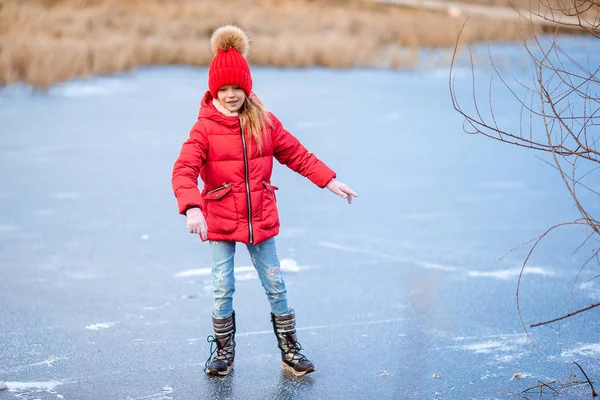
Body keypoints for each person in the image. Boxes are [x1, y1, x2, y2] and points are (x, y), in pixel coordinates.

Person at [171, 25, 358, 377]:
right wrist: (193, 206)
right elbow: (183, 169)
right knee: (223, 286)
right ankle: (224, 353)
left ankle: (290, 351)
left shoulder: (264, 122)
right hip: (220, 219)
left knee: (275, 283)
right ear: (214, 90)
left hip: (260, 216)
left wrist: (329, 180)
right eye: (223, 89)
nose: (230, 95)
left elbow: (298, 155)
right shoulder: (204, 129)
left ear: (246, 87)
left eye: (236, 87)